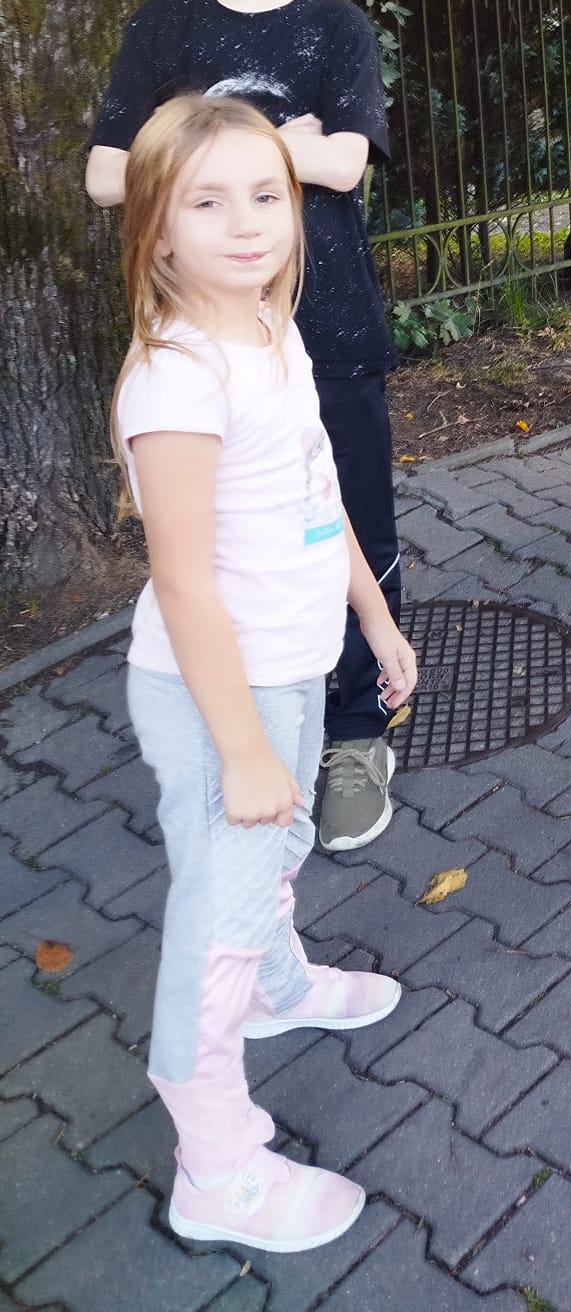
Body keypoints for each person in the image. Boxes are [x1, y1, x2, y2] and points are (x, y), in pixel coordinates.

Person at [110, 94, 418, 1252]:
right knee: (217, 922)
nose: (246, 222)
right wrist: (240, 745)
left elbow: (316, 494)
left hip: (292, 668)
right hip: (216, 694)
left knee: (281, 846)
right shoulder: (179, 378)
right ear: (157, 226)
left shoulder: (267, 326)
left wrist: (374, 617)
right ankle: (215, 1162)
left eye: (264, 194)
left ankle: (278, 987)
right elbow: (185, 584)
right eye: (208, 200)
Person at [86, 0, 403, 853]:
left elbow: (346, 161)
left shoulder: (336, 30)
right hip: (203, 335)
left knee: (349, 523)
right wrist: (278, 141)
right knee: (221, 542)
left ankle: (355, 731)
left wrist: (192, 139)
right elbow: (105, 171)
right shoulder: (166, 26)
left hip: (331, 324)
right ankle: (246, 725)